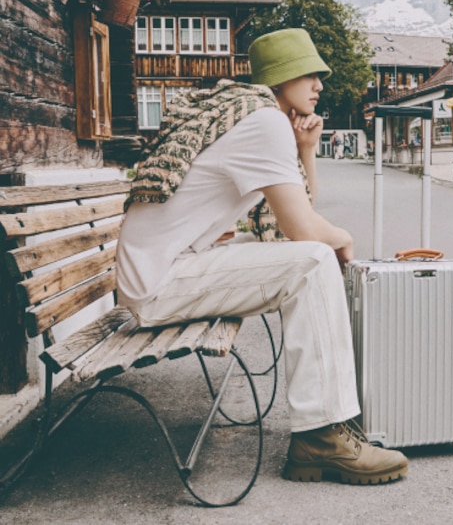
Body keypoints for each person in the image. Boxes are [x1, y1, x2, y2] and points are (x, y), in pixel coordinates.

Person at [116, 28, 408, 486]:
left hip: (163, 271)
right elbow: (303, 231)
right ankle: (321, 435)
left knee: (305, 256)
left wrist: (306, 150)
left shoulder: (252, 116)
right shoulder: (263, 122)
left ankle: (327, 424)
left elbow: (295, 214)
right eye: (311, 74)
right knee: (311, 261)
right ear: (283, 77)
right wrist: (344, 237)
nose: (319, 85)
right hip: (158, 284)